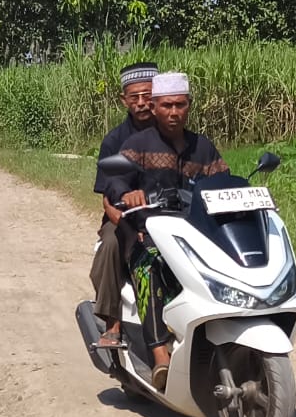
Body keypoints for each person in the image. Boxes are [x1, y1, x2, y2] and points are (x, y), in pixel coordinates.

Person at [104, 71, 229, 391]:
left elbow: (224, 182)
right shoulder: (137, 144)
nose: (174, 112)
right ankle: (160, 356)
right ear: (156, 107)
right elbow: (115, 180)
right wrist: (127, 192)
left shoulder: (203, 147)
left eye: (180, 105)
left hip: (195, 235)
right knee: (148, 269)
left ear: (189, 106)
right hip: (148, 235)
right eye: (167, 105)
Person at [90, 61, 158, 350]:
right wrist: (126, 225)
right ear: (124, 100)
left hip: (169, 218)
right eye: (135, 97)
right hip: (124, 219)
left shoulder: (174, 135)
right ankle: (112, 322)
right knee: (111, 245)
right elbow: (107, 198)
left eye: (148, 96)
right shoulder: (115, 140)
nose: (142, 103)